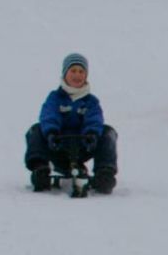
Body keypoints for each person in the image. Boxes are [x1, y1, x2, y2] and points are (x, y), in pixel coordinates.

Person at [24, 53, 118, 194]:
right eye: (73, 71)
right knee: (36, 130)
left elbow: (94, 119)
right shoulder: (55, 97)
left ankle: (104, 174)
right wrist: (51, 133)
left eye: (81, 72)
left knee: (107, 132)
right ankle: (40, 170)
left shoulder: (91, 101)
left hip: (83, 144)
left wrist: (91, 134)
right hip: (58, 145)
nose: (77, 75)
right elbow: (49, 115)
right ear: (65, 73)